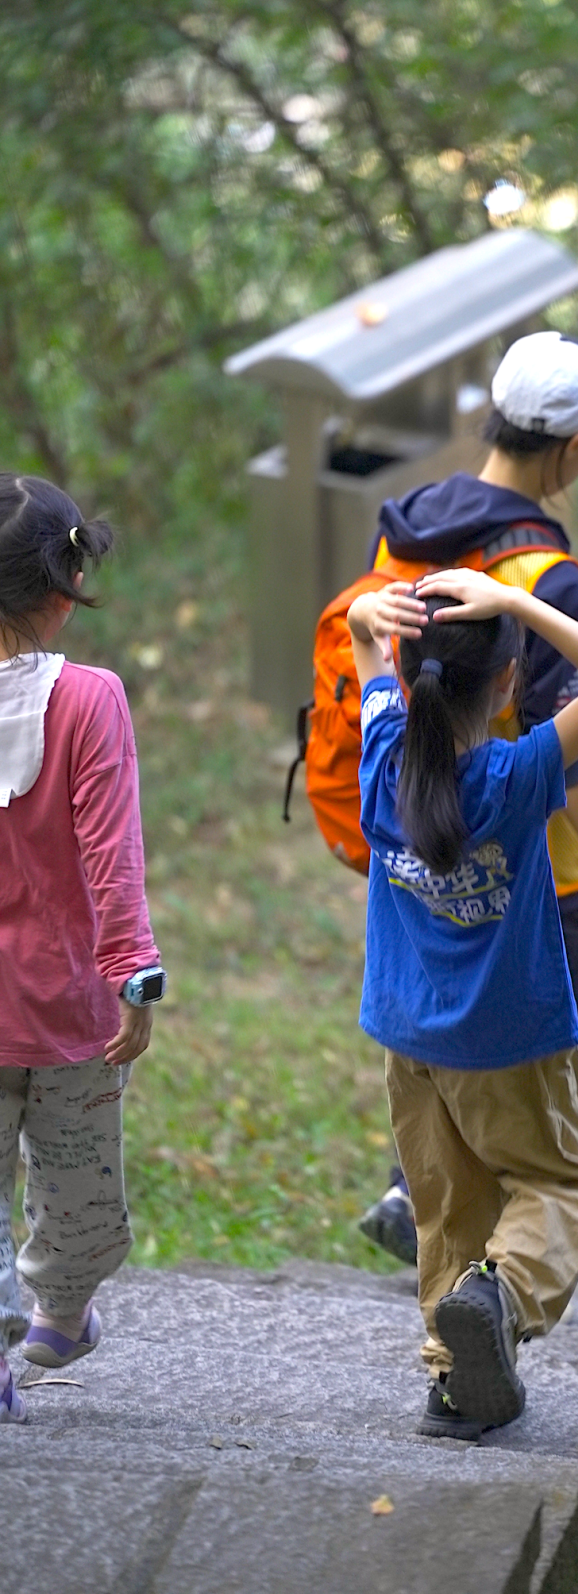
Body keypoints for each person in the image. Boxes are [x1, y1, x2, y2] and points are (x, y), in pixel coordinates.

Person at [358, 331, 578, 1263]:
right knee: (546, 1092)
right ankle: (510, 1259)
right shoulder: (546, 576)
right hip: (536, 870)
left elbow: (386, 676)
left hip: (418, 834)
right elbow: (565, 761)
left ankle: (417, 1190)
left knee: (446, 1016)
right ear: (575, 447)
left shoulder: (408, 530)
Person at [346, 562, 578, 1437]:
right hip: (512, 1042)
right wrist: (515, 598)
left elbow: (366, 649)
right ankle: (501, 1298)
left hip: (409, 1039)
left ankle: (452, 1381)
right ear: (509, 681)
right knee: (562, 1186)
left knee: (448, 1209)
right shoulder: (520, 773)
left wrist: (366, 619)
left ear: (408, 678)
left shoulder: (383, 758)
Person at [0, 474, 163, 1426]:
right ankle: (60, 1315)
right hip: (72, 1014)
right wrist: (134, 976)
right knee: (77, 1187)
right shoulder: (91, 701)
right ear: (68, 590)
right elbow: (112, 856)